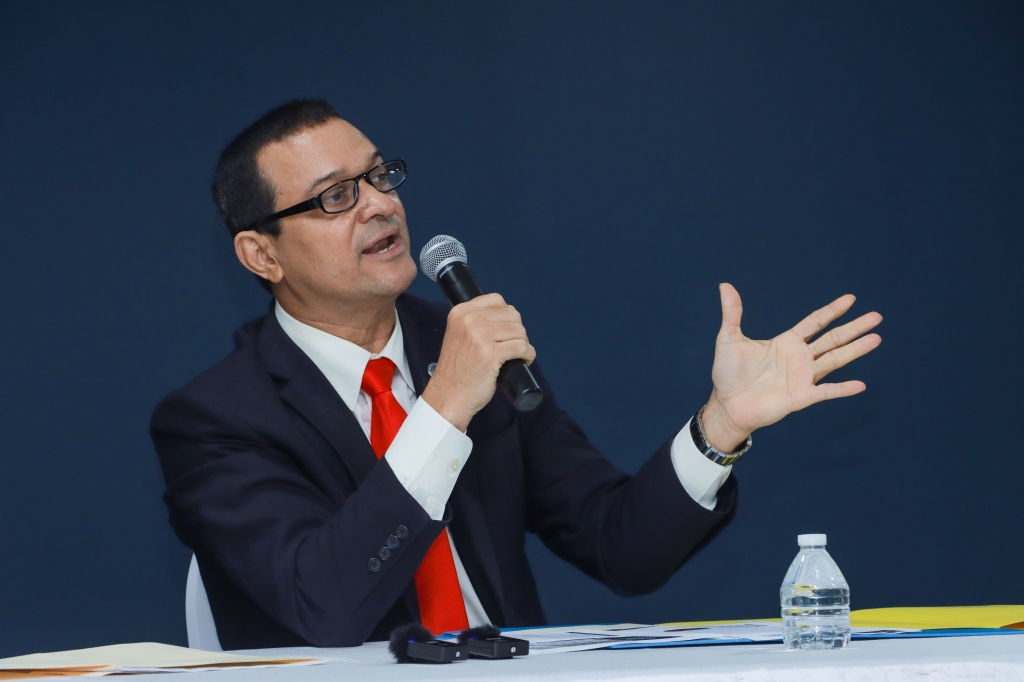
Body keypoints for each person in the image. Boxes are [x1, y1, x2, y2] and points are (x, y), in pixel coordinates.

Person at [151, 99, 882, 649]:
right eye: (336, 196)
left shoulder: (469, 343)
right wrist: (444, 408)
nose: (380, 204)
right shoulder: (214, 419)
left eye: (378, 175)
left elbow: (620, 547)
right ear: (262, 255)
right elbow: (324, 606)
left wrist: (720, 426)